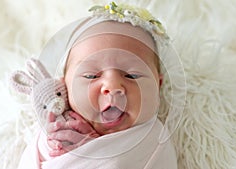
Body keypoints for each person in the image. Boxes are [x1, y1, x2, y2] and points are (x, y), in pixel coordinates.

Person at [17, 2, 186, 169]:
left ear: (158, 85)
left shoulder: (153, 140)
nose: (112, 87)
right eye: (91, 76)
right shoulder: (58, 128)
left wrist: (92, 153)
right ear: (65, 86)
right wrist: (55, 146)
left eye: (132, 75)